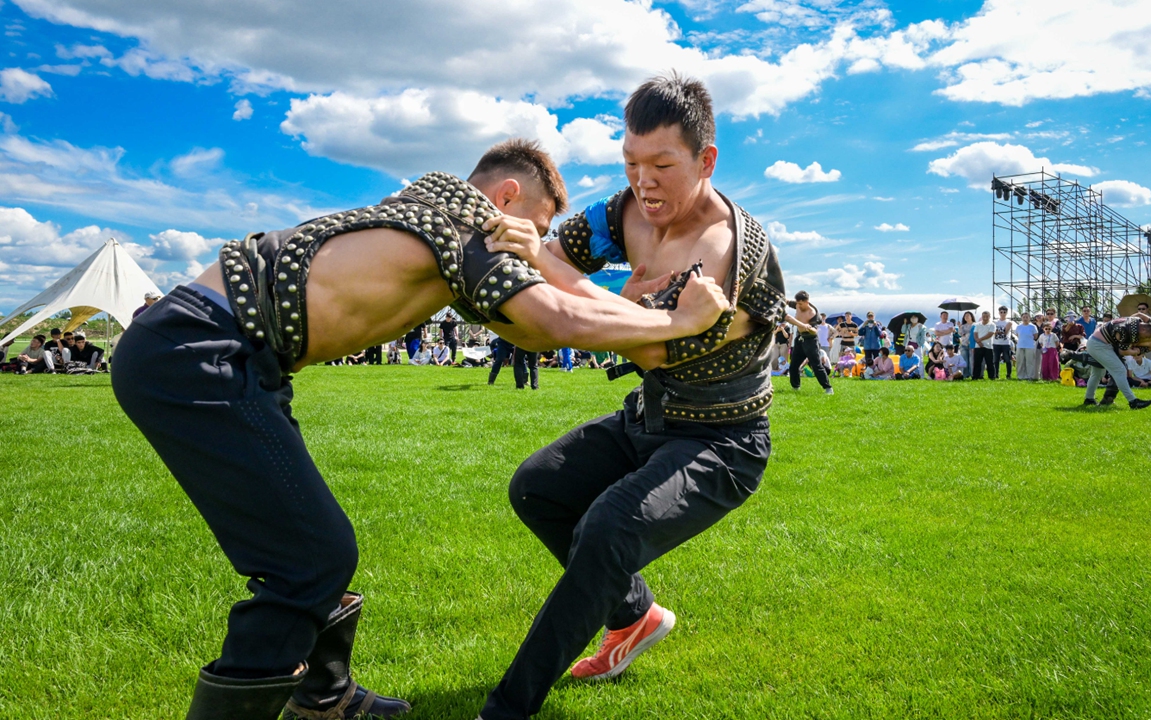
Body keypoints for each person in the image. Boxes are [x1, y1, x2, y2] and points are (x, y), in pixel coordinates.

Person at [110, 138, 729, 720]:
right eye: (536, 227)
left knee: (308, 539)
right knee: (312, 558)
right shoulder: (468, 229)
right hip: (202, 349)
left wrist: (614, 300)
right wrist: (680, 321)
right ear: (507, 196)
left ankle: (324, 696)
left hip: (219, 350)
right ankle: (307, 698)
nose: (531, 244)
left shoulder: (426, 210)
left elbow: (532, 327)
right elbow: (556, 319)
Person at [476, 74, 783, 720]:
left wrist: (607, 300)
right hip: (647, 418)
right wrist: (621, 301)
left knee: (608, 530)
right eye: (631, 163)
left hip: (722, 442)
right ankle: (635, 615)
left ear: (706, 160)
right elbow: (548, 256)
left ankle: (505, 709)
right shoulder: (623, 212)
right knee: (536, 487)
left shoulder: (724, 249)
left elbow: (648, 349)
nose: (644, 182)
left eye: (662, 166)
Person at [1071, 313, 1151, 408]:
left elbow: (1130, 350)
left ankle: (1089, 399)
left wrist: (1134, 346)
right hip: (1100, 344)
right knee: (1120, 370)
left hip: (1101, 343)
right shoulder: (1141, 328)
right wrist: (1131, 326)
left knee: (1098, 373)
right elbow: (1139, 316)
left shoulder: (1148, 344)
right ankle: (1133, 401)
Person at [787, 291, 833, 394]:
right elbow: (786, 302)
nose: (798, 306)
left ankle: (828, 388)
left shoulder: (813, 314)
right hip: (799, 339)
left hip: (810, 341)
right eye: (797, 303)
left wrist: (807, 327)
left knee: (816, 366)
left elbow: (815, 331)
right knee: (793, 365)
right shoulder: (797, 305)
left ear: (807, 302)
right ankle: (795, 387)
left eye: (800, 304)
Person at [972, 311, 997, 380]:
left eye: (987, 316)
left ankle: (992, 376)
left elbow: (990, 334)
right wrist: (978, 341)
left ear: (989, 317)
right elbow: (975, 333)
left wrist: (980, 339)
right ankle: (975, 376)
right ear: (982, 316)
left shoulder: (992, 325)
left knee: (990, 362)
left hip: (988, 346)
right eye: (984, 316)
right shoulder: (978, 324)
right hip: (978, 346)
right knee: (977, 362)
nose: (985, 318)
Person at [1014, 312, 1039, 380]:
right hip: (1020, 345)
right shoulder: (1018, 327)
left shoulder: (1033, 327)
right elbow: (1017, 335)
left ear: (1029, 318)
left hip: (1030, 346)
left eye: (1027, 317)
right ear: (1021, 318)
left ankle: (1030, 376)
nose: (1025, 319)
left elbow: (1035, 336)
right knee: (1020, 361)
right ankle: (1020, 376)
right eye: (1024, 317)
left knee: (1029, 362)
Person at [992, 306, 1014, 379]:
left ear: (1006, 313)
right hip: (996, 343)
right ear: (999, 313)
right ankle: (996, 374)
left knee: (1007, 359)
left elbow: (1005, 332)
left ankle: (1008, 375)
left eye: (1004, 312)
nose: (1003, 314)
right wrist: (998, 331)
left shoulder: (1009, 322)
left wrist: (997, 331)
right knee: (996, 360)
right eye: (1001, 312)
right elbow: (992, 332)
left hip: (1005, 343)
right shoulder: (994, 322)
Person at [960, 311, 976, 377]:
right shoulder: (962, 326)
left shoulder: (975, 324)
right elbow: (961, 334)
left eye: (968, 315)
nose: (966, 317)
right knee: (964, 359)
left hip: (973, 344)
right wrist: (960, 327)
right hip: (964, 344)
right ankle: (965, 374)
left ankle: (973, 373)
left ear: (971, 316)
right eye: (965, 316)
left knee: (972, 360)